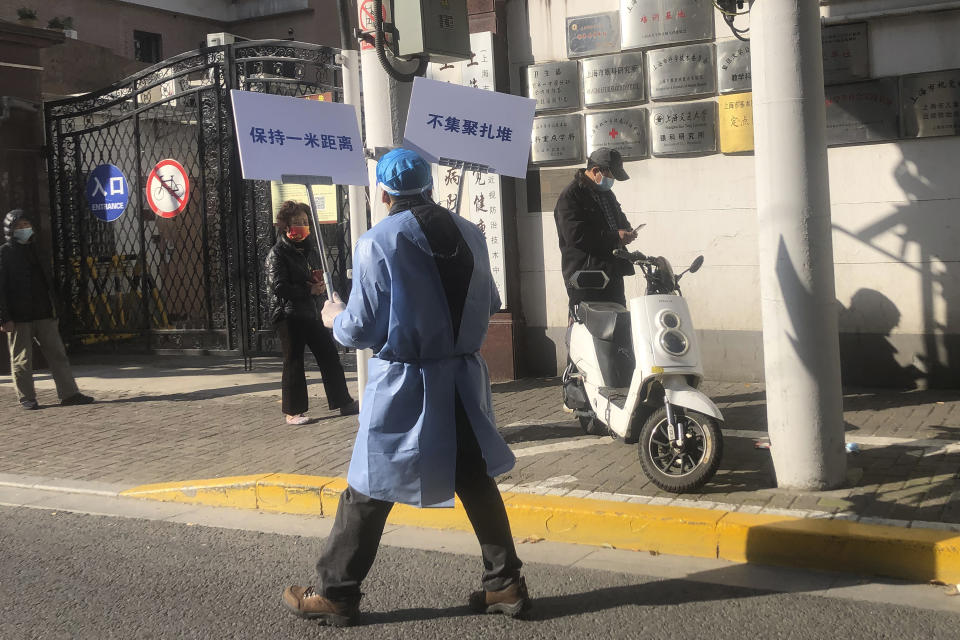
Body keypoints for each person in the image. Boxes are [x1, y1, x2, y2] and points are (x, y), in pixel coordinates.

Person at [281, 149, 529, 626]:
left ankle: (335, 591)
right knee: (475, 478)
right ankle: (505, 582)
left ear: (383, 192)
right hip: (462, 376)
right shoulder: (471, 233)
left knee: (369, 484)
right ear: (430, 185)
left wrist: (334, 315)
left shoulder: (379, 241)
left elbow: (360, 329)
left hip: (408, 382)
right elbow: (491, 302)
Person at [265, 201, 358, 425]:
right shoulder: (278, 253)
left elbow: (312, 276)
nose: (302, 227)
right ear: (286, 226)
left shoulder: (308, 250)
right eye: (297, 223)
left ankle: (343, 401)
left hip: (310, 310)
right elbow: (278, 286)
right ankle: (293, 411)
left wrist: (318, 285)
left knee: (328, 355)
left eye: (305, 222)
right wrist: (308, 289)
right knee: (294, 360)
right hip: (288, 314)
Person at [0, 209, 93, 409]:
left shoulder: (38, 250)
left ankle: (69, 393)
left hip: (44, 313)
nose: (24, 229)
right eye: (19, 226)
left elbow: (49, 281)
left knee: (57, 354)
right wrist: (4, 317)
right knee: (22, 359)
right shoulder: (5, 253)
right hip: (19, 316)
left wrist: (55, 309)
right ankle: (27, 398)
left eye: (26, 225)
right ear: (10, 230)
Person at [554, 147, 638, 317]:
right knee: (588, 328)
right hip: (587, 277)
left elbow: (618, 217)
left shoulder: (606, 193)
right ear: (595, 170)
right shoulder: (571, 196)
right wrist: (615, 237)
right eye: (611, 175)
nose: (612, 180)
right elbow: (575, 236)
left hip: (612, 271)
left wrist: (627, 231)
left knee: (618, 322)